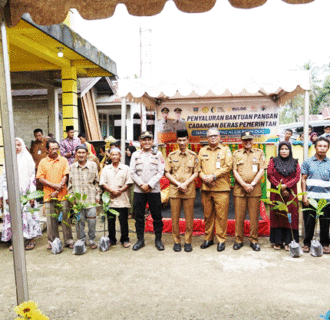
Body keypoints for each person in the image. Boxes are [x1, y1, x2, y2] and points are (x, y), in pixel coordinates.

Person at [0, 138, 41, 250]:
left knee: (27, 216)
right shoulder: (8, 159)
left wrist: (31, 195)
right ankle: (16, 242)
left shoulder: (28, 159)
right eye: (14, 145)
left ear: (22, 146)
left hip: (26, 193)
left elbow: (32, 178)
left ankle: (31, 240)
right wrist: (5, 195)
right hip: (12, 193)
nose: (17, 147)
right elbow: (4, 179)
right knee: (14, 217)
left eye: (18, 145)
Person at [198, 128, 232, 252]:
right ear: (207, 138)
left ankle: (221, 240)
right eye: (210, 136)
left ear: (219, 137)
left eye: (215, 135)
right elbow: (198, 168)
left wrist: (213, 176)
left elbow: (228, 166)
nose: (213, 138)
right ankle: (208, 238)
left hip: (221, 188)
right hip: (206, 188)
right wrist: (203, 177)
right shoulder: (202, 151)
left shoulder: (225, 150)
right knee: (208, 215)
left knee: (221, 216)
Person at [130, 131, 165, 251]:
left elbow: (161, 172)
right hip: (139, 190)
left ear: (152, 141)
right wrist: (141, 184)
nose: (146, 142)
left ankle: (158, 240)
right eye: (144, 139)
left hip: (154, 190)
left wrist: (149, 184)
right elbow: (132, 172)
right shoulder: (135, 154)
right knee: (139, 216)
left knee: (157, 216)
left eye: (149, 139)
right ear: (140, 141)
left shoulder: (158, 154)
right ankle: (140, 240)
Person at [165, 130, 199, 252]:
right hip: (175, 190)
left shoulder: (194, 156)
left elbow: (196, 173)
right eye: (180, 140)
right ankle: (176, 241)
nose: (182, 142)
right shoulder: (171, 155)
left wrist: (185, 184)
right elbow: (167, 173)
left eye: (184, 140)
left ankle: (188, 241)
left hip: (188, 190)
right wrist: (179, 184)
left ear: (188, 141)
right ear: (176, 141)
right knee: (175, 218)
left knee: (189, 217)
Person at [232, 131, 267, 251]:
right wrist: (243, 184)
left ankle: (254, 240)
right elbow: (234, 171)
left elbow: (262, 170)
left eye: (250, 140)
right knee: (239, 216)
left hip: (254, 189)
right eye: (245, 140)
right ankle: (238, 240)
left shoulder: (259, 153)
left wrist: (251, 184)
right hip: (240, 190)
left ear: (253, 140)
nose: (247, 142)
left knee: (254, 217)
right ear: (241, 141)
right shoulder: (236, 154)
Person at [37, 139, 74, 249]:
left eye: (57, 149)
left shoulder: (63, 160)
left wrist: (58, 189)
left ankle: (68, 240)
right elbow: (41, 179)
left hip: (63, 194)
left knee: (66, 219)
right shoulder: (43, 162)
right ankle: (52, 241)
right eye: (52, 149)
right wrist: (54, 186)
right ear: (47, 150)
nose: (55, 151)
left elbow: (65, 176)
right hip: (49, 196)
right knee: (51, 220)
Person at [267, 142, 300, 250]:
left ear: (290, 150)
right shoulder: (273, 161)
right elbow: (270, 175)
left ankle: (288, 241)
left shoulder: (295, 162)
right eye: (282, 149)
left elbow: (297, 177)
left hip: (290, 195)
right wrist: (280, 186)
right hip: (277, 194)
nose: (284, 151)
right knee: (278, 215)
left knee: (290, 217)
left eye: (286, 149)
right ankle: (278, 241)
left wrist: (287, 187)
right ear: (279, 150)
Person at [68, 145, 101, 250]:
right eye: (79, 153)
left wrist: (98, 195)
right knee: (79, 221)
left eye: (83, 152)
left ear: (87, 154)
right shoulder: (72, 167)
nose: (81, 155)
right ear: (76, 154)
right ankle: (81, 239)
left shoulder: (93, 165)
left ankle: (91, 239)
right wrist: (71, 197)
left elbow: (97, 182)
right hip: (78, 201)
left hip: (91, 198)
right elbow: (70, 184)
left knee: (92, 221)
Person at [301, 136, 330, 254]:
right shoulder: (307, 162)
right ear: (315, 147)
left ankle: (325, 243)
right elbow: (303, 179)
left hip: (326, 199)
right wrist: (304, 195)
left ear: (328, 148)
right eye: (320, 146)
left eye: (325, 146)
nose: (322, 149)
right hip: (311, 197)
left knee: (325, 222)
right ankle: (307, 243)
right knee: (309, 222)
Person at [100, 148, 133, 248]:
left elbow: (129, 182)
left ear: (120, 156)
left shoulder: (126, 168)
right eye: (112, 155)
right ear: (110, 156)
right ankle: (112, 239)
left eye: (116, 155)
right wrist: (112, 191)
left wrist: (120, 191)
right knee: (111, 220)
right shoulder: (106, 169)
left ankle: (125, 239)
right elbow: (102, 183)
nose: (114, 157)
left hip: (122, 198)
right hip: (110, 198)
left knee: (123, 220)